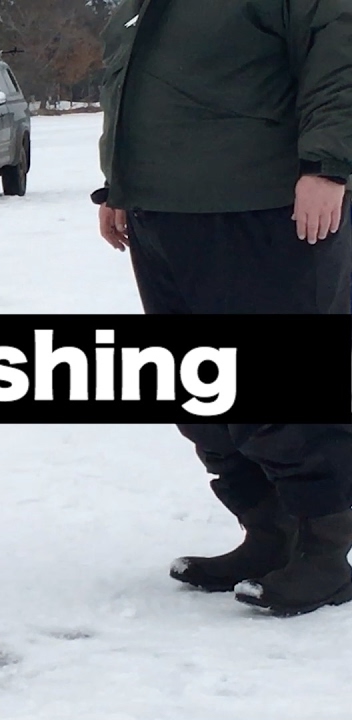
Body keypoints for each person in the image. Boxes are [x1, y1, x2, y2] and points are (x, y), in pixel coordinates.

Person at [93, 0, 352, 617]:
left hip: (261, 209)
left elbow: (340, 62)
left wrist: (327, 167)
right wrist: (117, 185)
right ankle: (268, 533)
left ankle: (325, 548)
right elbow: (128, 85)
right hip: (161, 216)